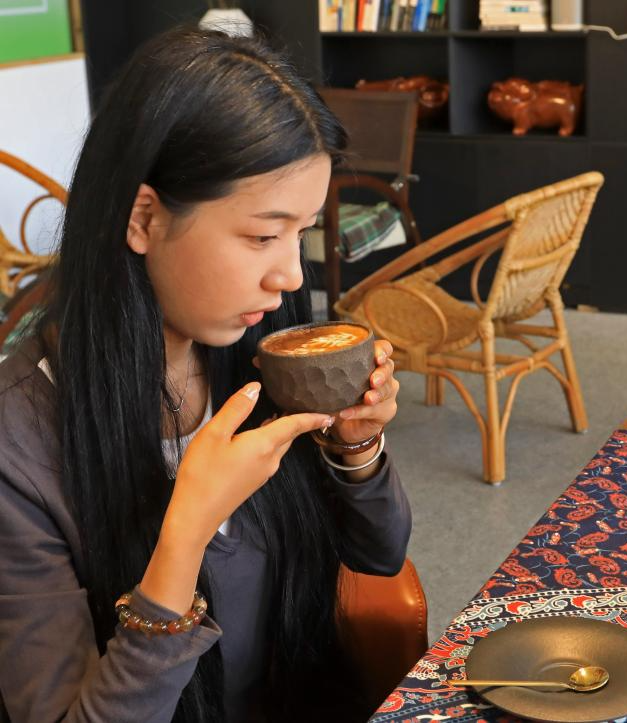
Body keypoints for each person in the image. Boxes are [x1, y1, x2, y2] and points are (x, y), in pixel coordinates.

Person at [0, 26, 410, 723]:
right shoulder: (20, 442)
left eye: (302, 232)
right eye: (262, 235)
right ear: (143, 218)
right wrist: (185, 532)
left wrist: (356, 448)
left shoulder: (254, 354)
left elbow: (381, 552)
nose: (290, 275)